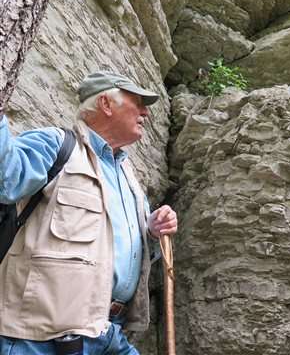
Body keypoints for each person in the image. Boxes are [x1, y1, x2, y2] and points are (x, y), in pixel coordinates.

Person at [0, 71, 178, 354]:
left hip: (107, 333)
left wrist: (153, 233)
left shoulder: (130, 179)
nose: (146, 112)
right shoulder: (56, 145)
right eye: (138, 102)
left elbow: (116, 250)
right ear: (106, 104)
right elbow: (5, 180)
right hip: (41, 338)